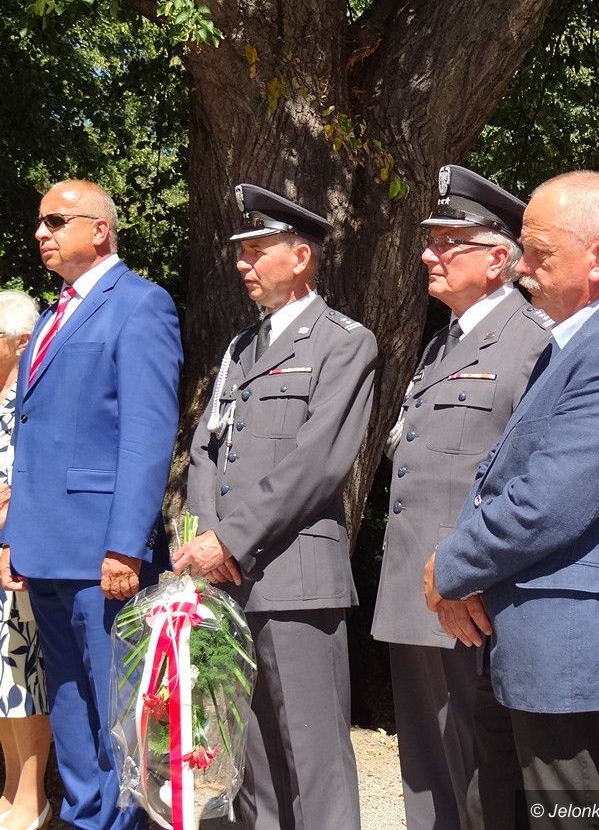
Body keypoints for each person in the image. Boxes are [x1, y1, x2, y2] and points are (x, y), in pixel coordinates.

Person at [425, 171, 599, 827]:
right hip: (531, 636)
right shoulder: (586, 336)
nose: (520, 266)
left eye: (538, 252)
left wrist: (450, 568)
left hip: (570, 651)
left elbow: (547, 502)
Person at [173, 183, 377, 830]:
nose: (243, 263)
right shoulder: (241, 348)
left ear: (300, 256)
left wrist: (228, 539)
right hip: (230, 578)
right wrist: (205, 541)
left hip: (295, 580)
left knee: (313, 759)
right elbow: (206, 450)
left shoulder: (344, 342)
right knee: (253, 758)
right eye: (241, 251)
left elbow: (316, 463)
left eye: (257, 250)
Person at [371, 165, 551, 830]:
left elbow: (529, 479)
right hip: (416, 591)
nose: (429, 253)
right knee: (426, 778)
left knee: (478, 784)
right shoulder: (445, 342)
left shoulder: (532, 342)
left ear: (498, 259)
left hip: (470, 598)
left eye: (448, 241)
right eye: (430, 240)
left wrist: (468, 573)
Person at [1, 181, 183, 830]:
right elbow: (33, 437)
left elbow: (146, 435)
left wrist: (125, 545)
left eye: (56, 221)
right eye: (39, 222)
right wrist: (13, 537)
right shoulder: (54, 314)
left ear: (99, 230)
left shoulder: (140, 304)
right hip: (45, 549)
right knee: (72, 712)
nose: (41, 233)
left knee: (117, 717)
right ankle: (85, 819)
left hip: (104, 553)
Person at [0, 291, 52, 830]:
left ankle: (33, 794)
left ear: (19, 343)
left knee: (24, 673)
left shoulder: (31, 400)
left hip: (19, 555)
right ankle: (12, 784)